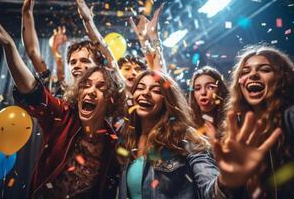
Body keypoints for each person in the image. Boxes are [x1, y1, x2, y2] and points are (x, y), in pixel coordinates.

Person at [0, 16, 126, 198]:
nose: (78, 66)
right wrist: (9, 45)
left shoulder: (114, 141)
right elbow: (33, 90)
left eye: (85, 61)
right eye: (73, 62)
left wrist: (88, 22)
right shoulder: (63, 114)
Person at [116, 70, 281, 199]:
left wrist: (225, 181)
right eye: (140, 87)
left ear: (167, 101)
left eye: (156, 90)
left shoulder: (184, 138)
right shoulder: (128, 140)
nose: (145, 93)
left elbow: (209, 191)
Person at [226, 44, 294, 198]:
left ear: (282, 77)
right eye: (245, 71)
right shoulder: (237, 128)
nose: (253, 75)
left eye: (265, 69)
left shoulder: (290, 116)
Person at [189, 66, 228, 139]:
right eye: (197, 88)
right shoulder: (187, 126)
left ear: (220, 91)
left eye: (210, 87)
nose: (203, 92)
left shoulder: (232, 123)